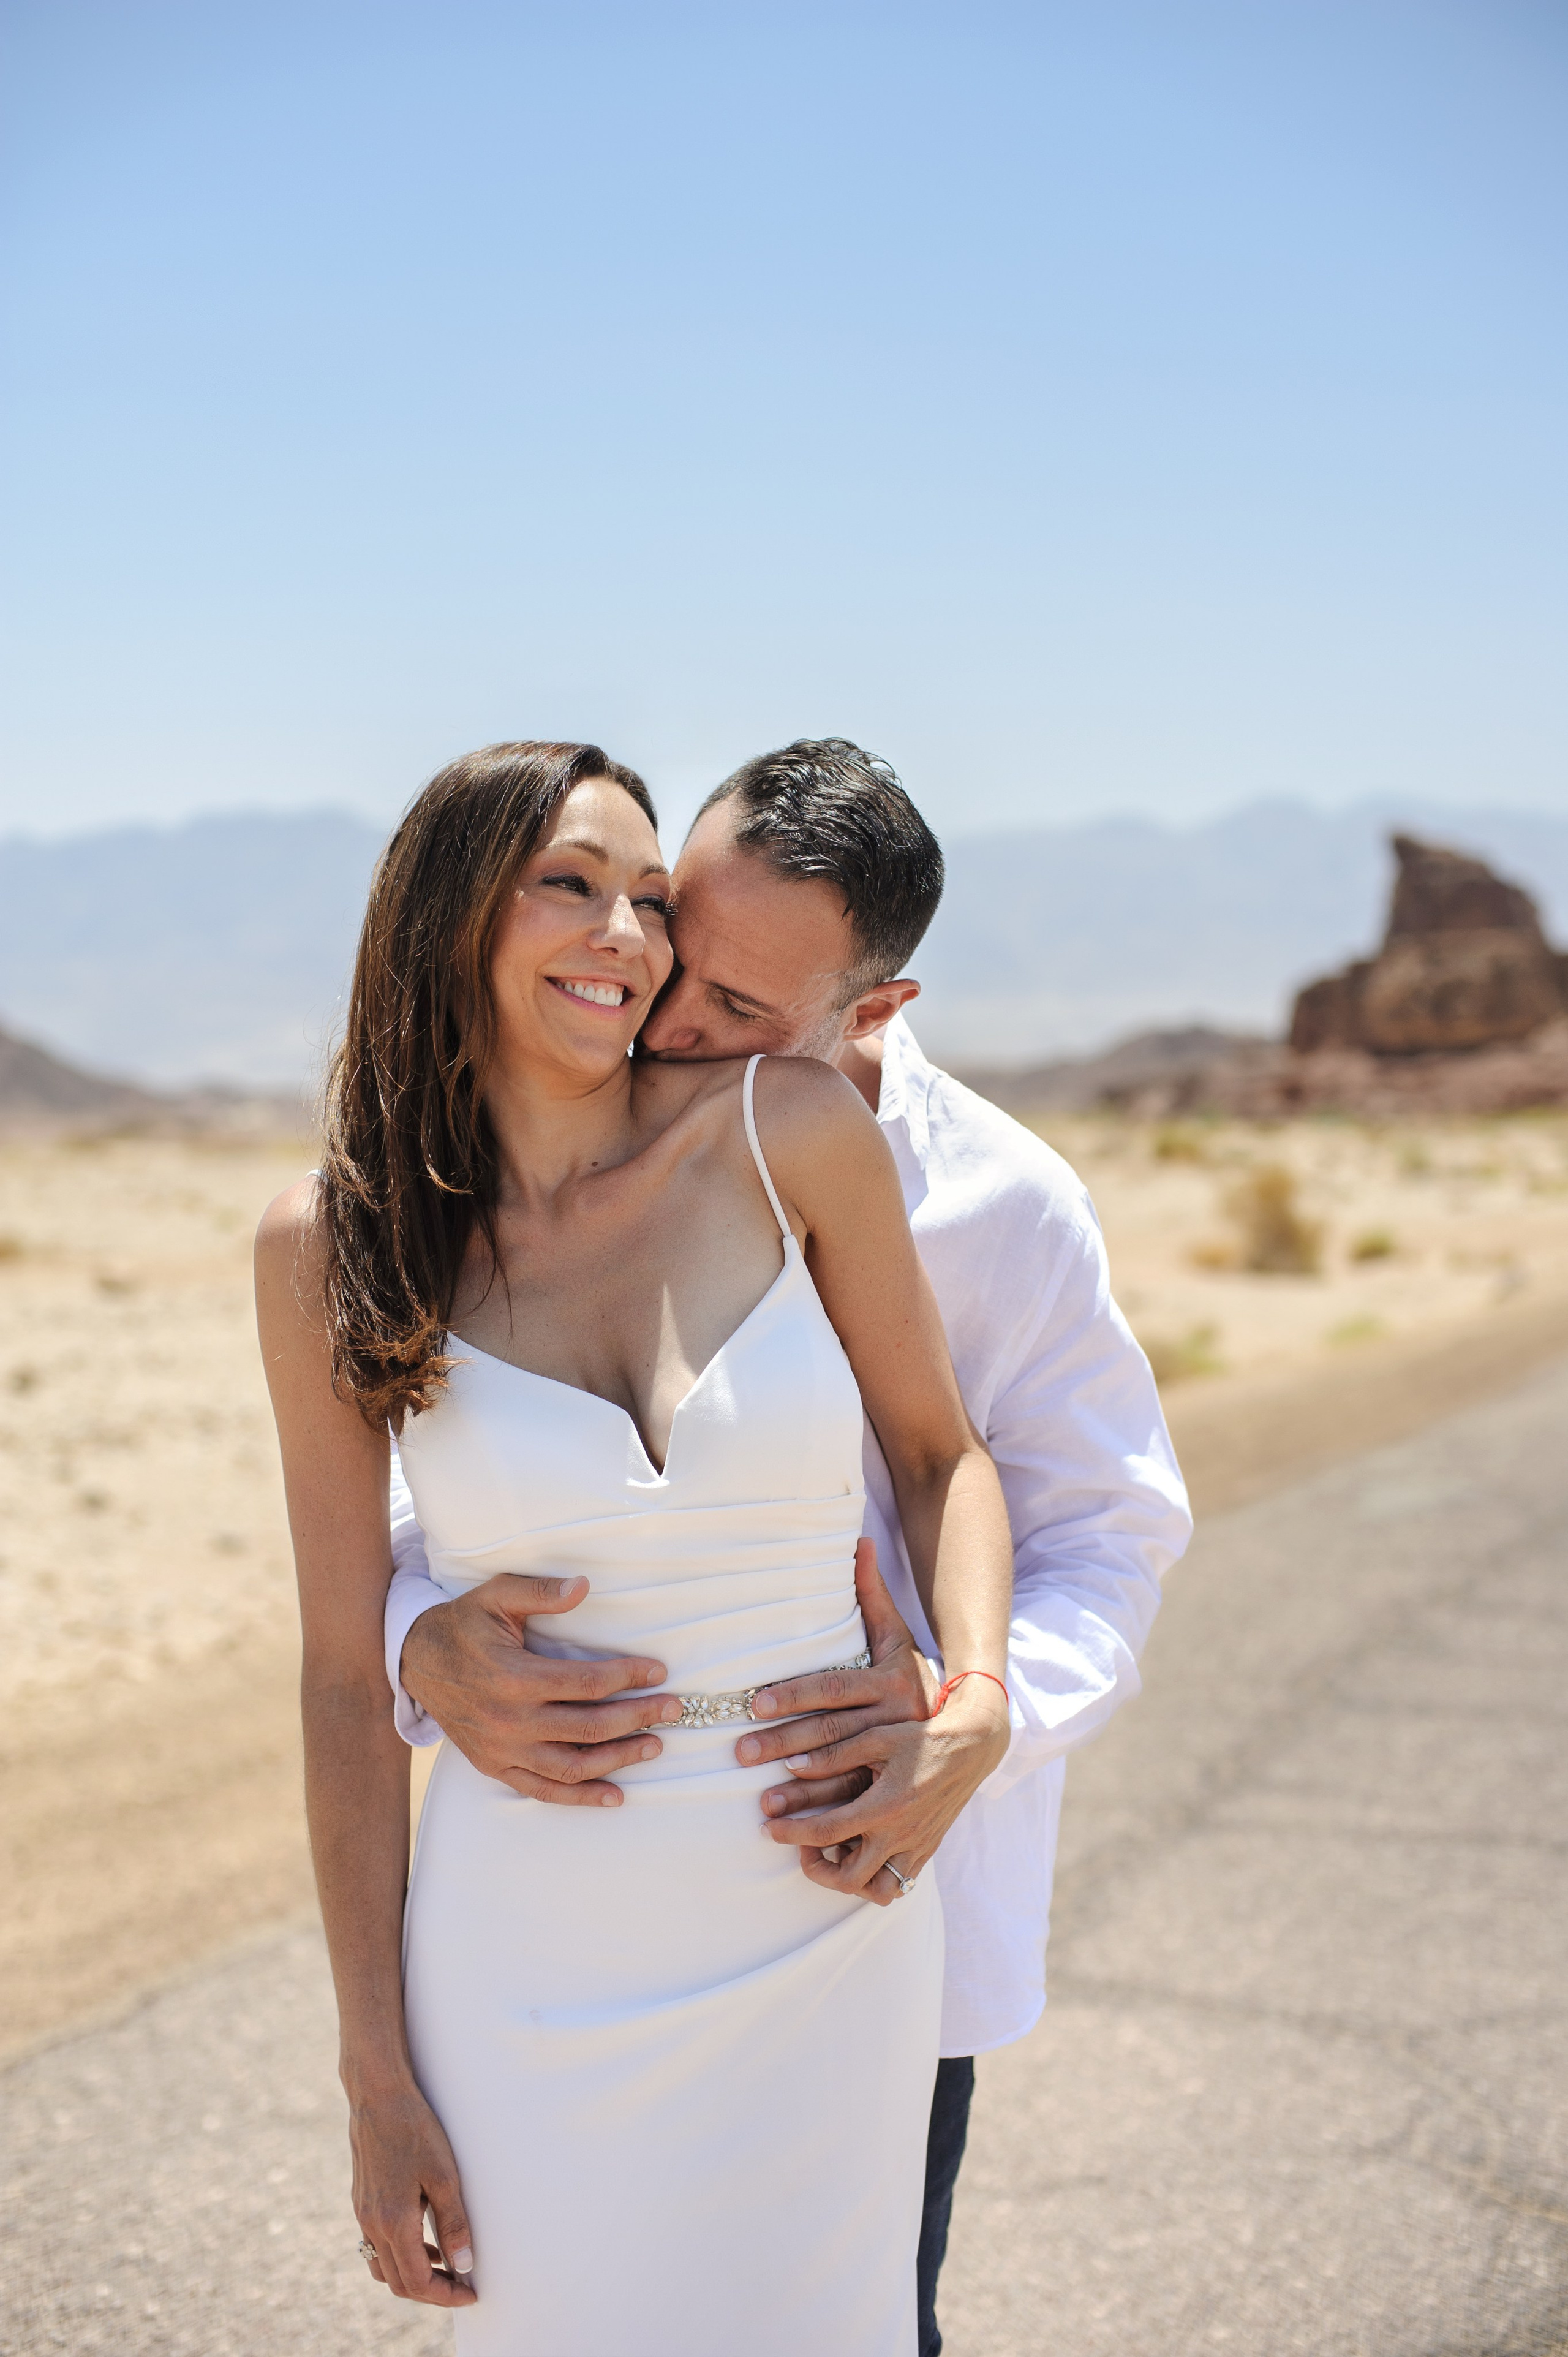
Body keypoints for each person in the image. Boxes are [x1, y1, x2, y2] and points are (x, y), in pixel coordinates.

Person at [386, 738, 1193, 2353]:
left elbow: (1104, 1523)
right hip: (583, 1897)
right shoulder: (539, 1152)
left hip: (877, 1878)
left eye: (743, 1015)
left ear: (870, 1014)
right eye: (679, 945)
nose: (669, 1018)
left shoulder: (1008, 1209)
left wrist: (979, 1718)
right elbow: (463, 1479)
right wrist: (423, 1638)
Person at [254, 740, 1020, 2355]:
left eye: (652, 899)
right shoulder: (337, 1240)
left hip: (827, 1921)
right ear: (452, 915)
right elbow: (340, 1676)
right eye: (574, 885)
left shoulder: (790, 1128)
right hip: (536, 1947)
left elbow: (944, 1456)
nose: (630, 936)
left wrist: (981, 1697)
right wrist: (374, 2079)